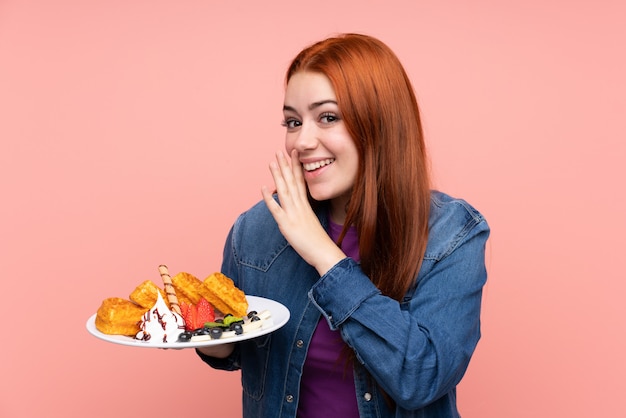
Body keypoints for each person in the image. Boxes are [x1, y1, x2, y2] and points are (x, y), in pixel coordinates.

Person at [196, 33, 490, 418]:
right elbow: (235, 349)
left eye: (328, 117)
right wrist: (207, 336)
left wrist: (323, 255)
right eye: (292, 121)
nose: (301, 141)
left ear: (380, 122)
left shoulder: (453, 234)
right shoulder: (257, 229)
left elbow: (422, 379)